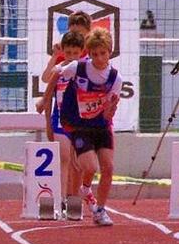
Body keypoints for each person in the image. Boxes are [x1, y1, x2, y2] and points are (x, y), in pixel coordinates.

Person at [50, 28, 121, 226]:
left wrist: (109, 109)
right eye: (95, 54)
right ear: (89, 54)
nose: (99, 58)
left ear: (110, 52)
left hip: (101, 125)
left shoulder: (115, 78)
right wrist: (45, 100)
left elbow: (110, 109)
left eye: (103, 53)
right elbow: (55, 75)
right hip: (80, 125)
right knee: (90, 166)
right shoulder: (77, 68)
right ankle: (85, 187)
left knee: (108, 167)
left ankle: (100, 209)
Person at [36, 31, 84, 212]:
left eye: (75, 53)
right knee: (63, 157)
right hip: (61, 119)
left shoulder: (85, 69)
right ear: (64, 51)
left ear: (81, 52)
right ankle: (61, 198)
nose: (71, 57)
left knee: (77, 161)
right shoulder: (59, 69)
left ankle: (75, 198)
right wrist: (55, 57)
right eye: (68, 52)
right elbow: (46, 79)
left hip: (81, 121)